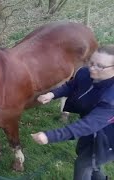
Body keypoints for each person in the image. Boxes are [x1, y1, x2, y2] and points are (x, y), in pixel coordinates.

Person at [31, 45, 114, 180]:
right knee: (88, 159)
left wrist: (50, 136)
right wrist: (52, 94)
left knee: (83, 164)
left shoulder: (111, 98)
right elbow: (72, 86)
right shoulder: (85, 73)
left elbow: (89, 124)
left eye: (100, 66)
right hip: (91, 128)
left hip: (109, 137)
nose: (92, 68)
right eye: (91, 62)